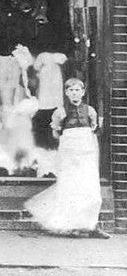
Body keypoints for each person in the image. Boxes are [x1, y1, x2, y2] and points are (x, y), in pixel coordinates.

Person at [25, 78, 110, 238]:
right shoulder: (60, 112)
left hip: (87, 153)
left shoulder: (90, 111)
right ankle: (71, 226)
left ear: (83, 92)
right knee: (70, 187)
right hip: (69, 153)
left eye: (77, 90)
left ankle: (91, 225)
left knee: (90, 188)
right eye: (71, 90)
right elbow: (56, 134)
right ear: (66, 93)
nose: (74, 93)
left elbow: (94, 131)